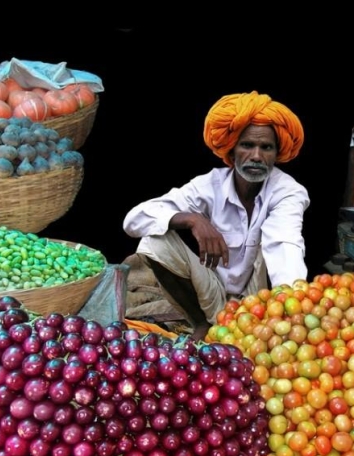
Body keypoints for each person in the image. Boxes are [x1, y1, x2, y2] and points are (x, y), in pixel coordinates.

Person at [123, 91, 309, 341]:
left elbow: (285, 244)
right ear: (232, 152)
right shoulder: (209, 185)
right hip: (213, 295)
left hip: (261, 299)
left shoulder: (288, 192)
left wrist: (293, 309)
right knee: (153, 242)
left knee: (271, 244)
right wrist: (193, 220)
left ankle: (266, 326)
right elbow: (134, 220)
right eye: (247, 145)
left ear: (276, 154)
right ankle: (201, 322)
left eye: (266, 147)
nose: (256, 155)